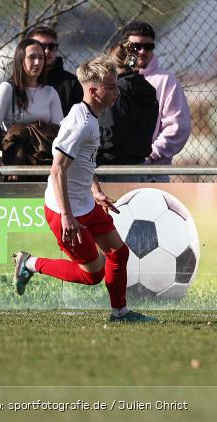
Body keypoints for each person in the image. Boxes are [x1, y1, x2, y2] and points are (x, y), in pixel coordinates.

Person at [11, 56, 155, 323]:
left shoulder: (89, 116)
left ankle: (120, 313)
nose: (116, 91)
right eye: (111, 86)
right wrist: (67, 216)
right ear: (93, 90)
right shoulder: (81, 124)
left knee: (118, 252)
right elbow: (57, 170)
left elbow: (83, 163)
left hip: (85, 204)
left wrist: (96, 190)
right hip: (65, 211)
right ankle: (29, 263)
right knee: (92, 275)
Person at [0, 38, 63, 176]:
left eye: (41, 58)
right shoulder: (7, 89)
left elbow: (60, 133)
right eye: (32, 57)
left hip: (44, 162)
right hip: (14, 162)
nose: (37, 62)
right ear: (20, 60)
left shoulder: (50, 93)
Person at [122, 21, 191, 181]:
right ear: (124, 46)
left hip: (152, 173)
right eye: (136, 46)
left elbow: (178, 126)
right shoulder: (112, 80)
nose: (142, 51)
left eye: (148, 47)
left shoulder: (166, 81)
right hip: (115, 169)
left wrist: (151, 155)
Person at [97, 43, 160, 181]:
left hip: (114, 168)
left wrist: (93, 142)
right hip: (139, 165)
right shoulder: (147, 89)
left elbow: (112, 134)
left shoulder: (116, 91)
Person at [27, 25, 83, 116]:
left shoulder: (72, 84)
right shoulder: (18, 82)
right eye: (41, 46)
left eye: (52, 46)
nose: (46, 51)